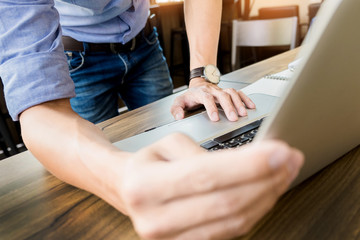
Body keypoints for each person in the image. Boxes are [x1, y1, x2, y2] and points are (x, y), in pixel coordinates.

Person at [0, 0, 304, 239]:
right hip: (76, 57)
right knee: (95, 185)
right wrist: (120, 177)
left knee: (190, 133)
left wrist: (201, 78)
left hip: (145, 41)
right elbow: (43, 112)